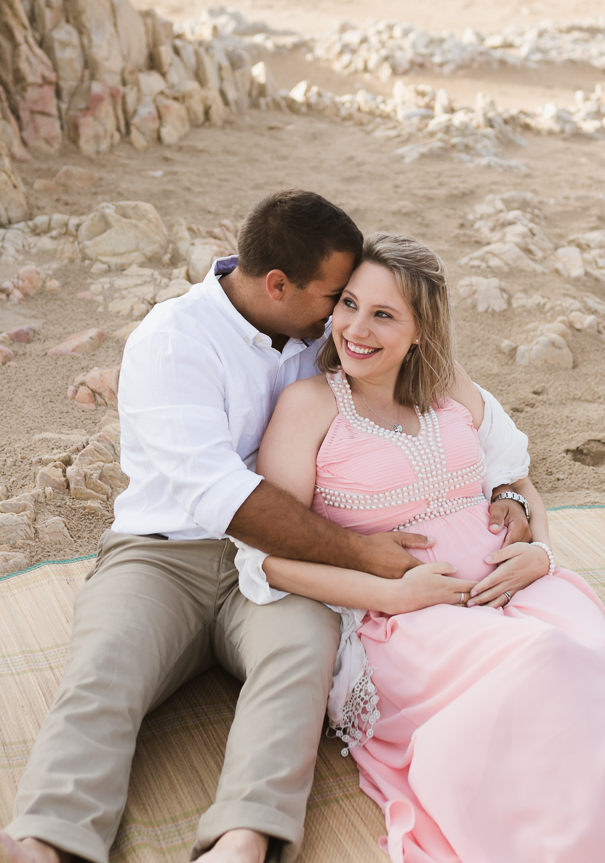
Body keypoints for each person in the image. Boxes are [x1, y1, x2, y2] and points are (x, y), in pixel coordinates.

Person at [1, 191, 530, 863]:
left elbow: (465, 404)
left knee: (299, 663)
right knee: (106, 666)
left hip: (288, 564)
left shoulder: (330, 337)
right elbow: (226, 499)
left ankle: (242, 839)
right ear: (277, 285)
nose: (346, 316)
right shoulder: (172, 342)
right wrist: (363, 553)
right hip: (166, 555)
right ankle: (48, 841)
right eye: (336, 297)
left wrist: (507, 484)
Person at [240, 231, 605, 863]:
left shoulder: (448, 387)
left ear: (420, 331)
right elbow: (267, 557)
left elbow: (516, 475)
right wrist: (393, 594)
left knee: (587, 658)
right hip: (406, 621)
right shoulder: (310, 405)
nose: (355, 328)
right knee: (542, 666)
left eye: (383, 315)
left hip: (522, 587)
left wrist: (540, 549)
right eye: (349, 304)